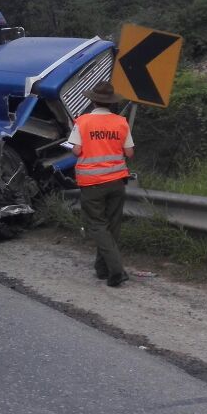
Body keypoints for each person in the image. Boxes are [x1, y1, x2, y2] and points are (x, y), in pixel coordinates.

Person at [68, 81, 135, 287]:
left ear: (93, 100)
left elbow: (77, 151)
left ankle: (116, 270)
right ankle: (102, 268)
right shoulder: (121, 122)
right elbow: (130, 152)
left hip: (92, 183)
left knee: (98, 225)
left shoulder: (83, 121)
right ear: (111, 102)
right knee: (112, 226)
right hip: (117, 181)